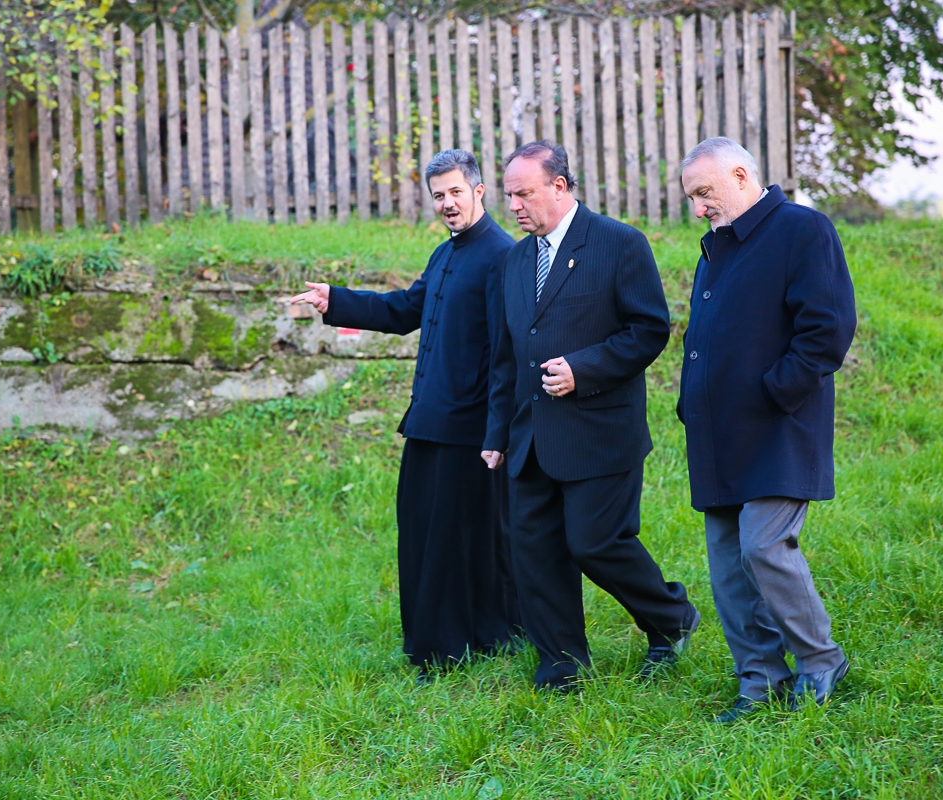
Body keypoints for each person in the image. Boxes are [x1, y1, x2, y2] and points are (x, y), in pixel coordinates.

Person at [290, 150, 520, 682]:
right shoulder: (444, 254)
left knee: (456, 540)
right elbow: (404, 310)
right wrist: (336, 300)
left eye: (456, 192)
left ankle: (449, 648)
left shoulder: (501, 256)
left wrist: (497, 432)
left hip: (470, 431)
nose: (447, 203)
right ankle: (455, 637)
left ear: (479, 191)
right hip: (428, 422)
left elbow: (506, 356)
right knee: (421, 532)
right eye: (438, 195)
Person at [482, 140, 699, 691]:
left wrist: (583, 369)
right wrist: (496, 433)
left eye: (524, 194)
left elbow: (648, 330)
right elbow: (506, 356)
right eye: (509, 196)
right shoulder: (514, 261)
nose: (514, 206)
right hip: (529, 437)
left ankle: (670, 618)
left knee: (595, 543)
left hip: (600, 432)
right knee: (536, 553)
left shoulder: (620, 243)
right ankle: (561, 666)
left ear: (559, 186)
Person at [677, 137, 858, 722]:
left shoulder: (802, 230)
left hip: (779, 426)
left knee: (763, 545)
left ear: (740, 175)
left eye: (704, 192)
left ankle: (820, 660)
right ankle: (760, 680)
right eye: (692, 197)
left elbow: (827, 329)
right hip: (717, 433)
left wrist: (774, 391)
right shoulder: (715, 249)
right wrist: (691, 402)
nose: (698, 207)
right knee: (728, 566)